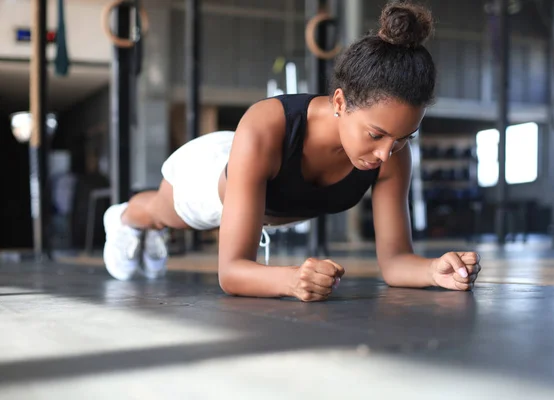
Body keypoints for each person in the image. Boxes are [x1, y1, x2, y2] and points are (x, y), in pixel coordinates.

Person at [102, 0, 482, 301]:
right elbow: (232, 271)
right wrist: (290, 280)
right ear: (339, 102)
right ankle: (123, 220)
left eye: (403, 137)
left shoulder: (392, 154)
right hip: (213, 173)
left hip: (267, 194)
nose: (386, 153)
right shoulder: (267, 125)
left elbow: (396, 261)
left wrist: (433, 270)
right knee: (160, 214)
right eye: (375, 134)